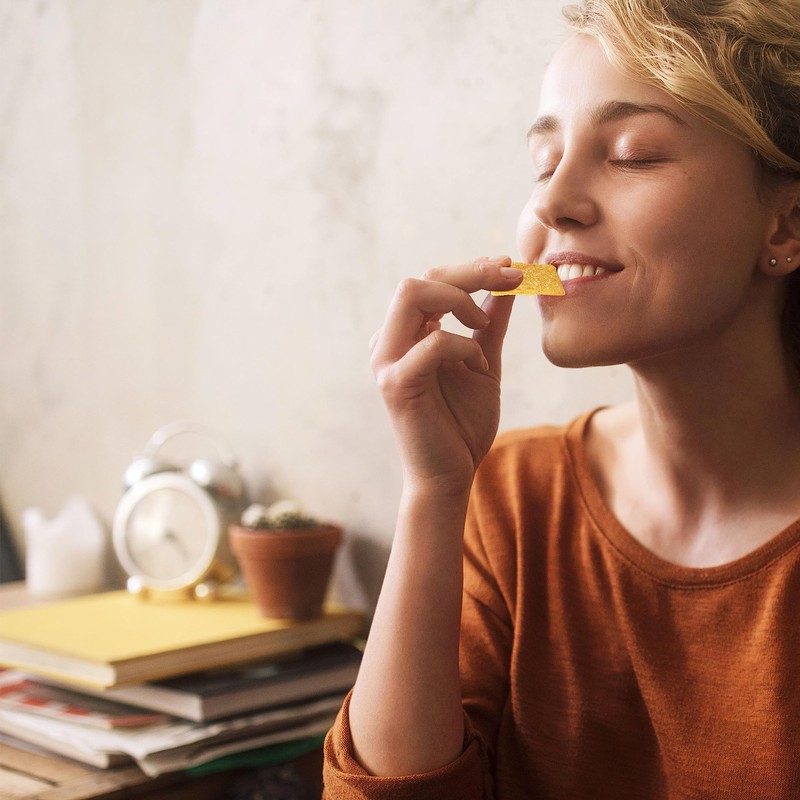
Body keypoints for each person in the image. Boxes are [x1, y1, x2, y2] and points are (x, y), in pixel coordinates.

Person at [323, 0, 800, 796]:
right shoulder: (512, 499)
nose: (553, 204)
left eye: (633, 155)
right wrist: (435, 495)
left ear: (786, 226)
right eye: (544, 163)